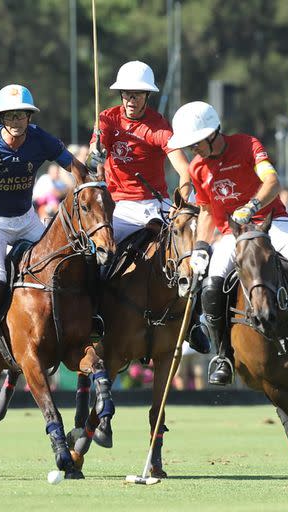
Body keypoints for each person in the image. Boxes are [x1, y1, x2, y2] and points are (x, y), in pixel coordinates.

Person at [167, 101, 288, 386]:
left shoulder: (247, 145)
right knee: (211, 286)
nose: (191, 150)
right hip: (230, 236)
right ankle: (223, 355)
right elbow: (208, 211)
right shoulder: (198, 168)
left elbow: (272, 181)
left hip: (271, 224)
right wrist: (201, 247)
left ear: (212, 134)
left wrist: (252, 206)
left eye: (195, 143)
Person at [84, 61, 209, 354]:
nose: (130, 100)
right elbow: (93, 158)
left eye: (137, 95)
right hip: (119, 207)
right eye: (126, 94)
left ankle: (193, 322)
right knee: (92, 254)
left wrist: (182, 200)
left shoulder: (159, 126)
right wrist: (95, 155)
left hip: (155, 205)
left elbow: (185, 171)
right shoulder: (107, 119)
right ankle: (91, 315)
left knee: (192, 253)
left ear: (147, 97)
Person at [0, 84, 79, 364]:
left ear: (29, 118)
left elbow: (72, 164)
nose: (16, 122)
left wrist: (89, 177)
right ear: (2, 119)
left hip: (25, 219)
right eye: (10, 116)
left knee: (62, 264)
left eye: (21, 115)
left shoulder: (39, 139)